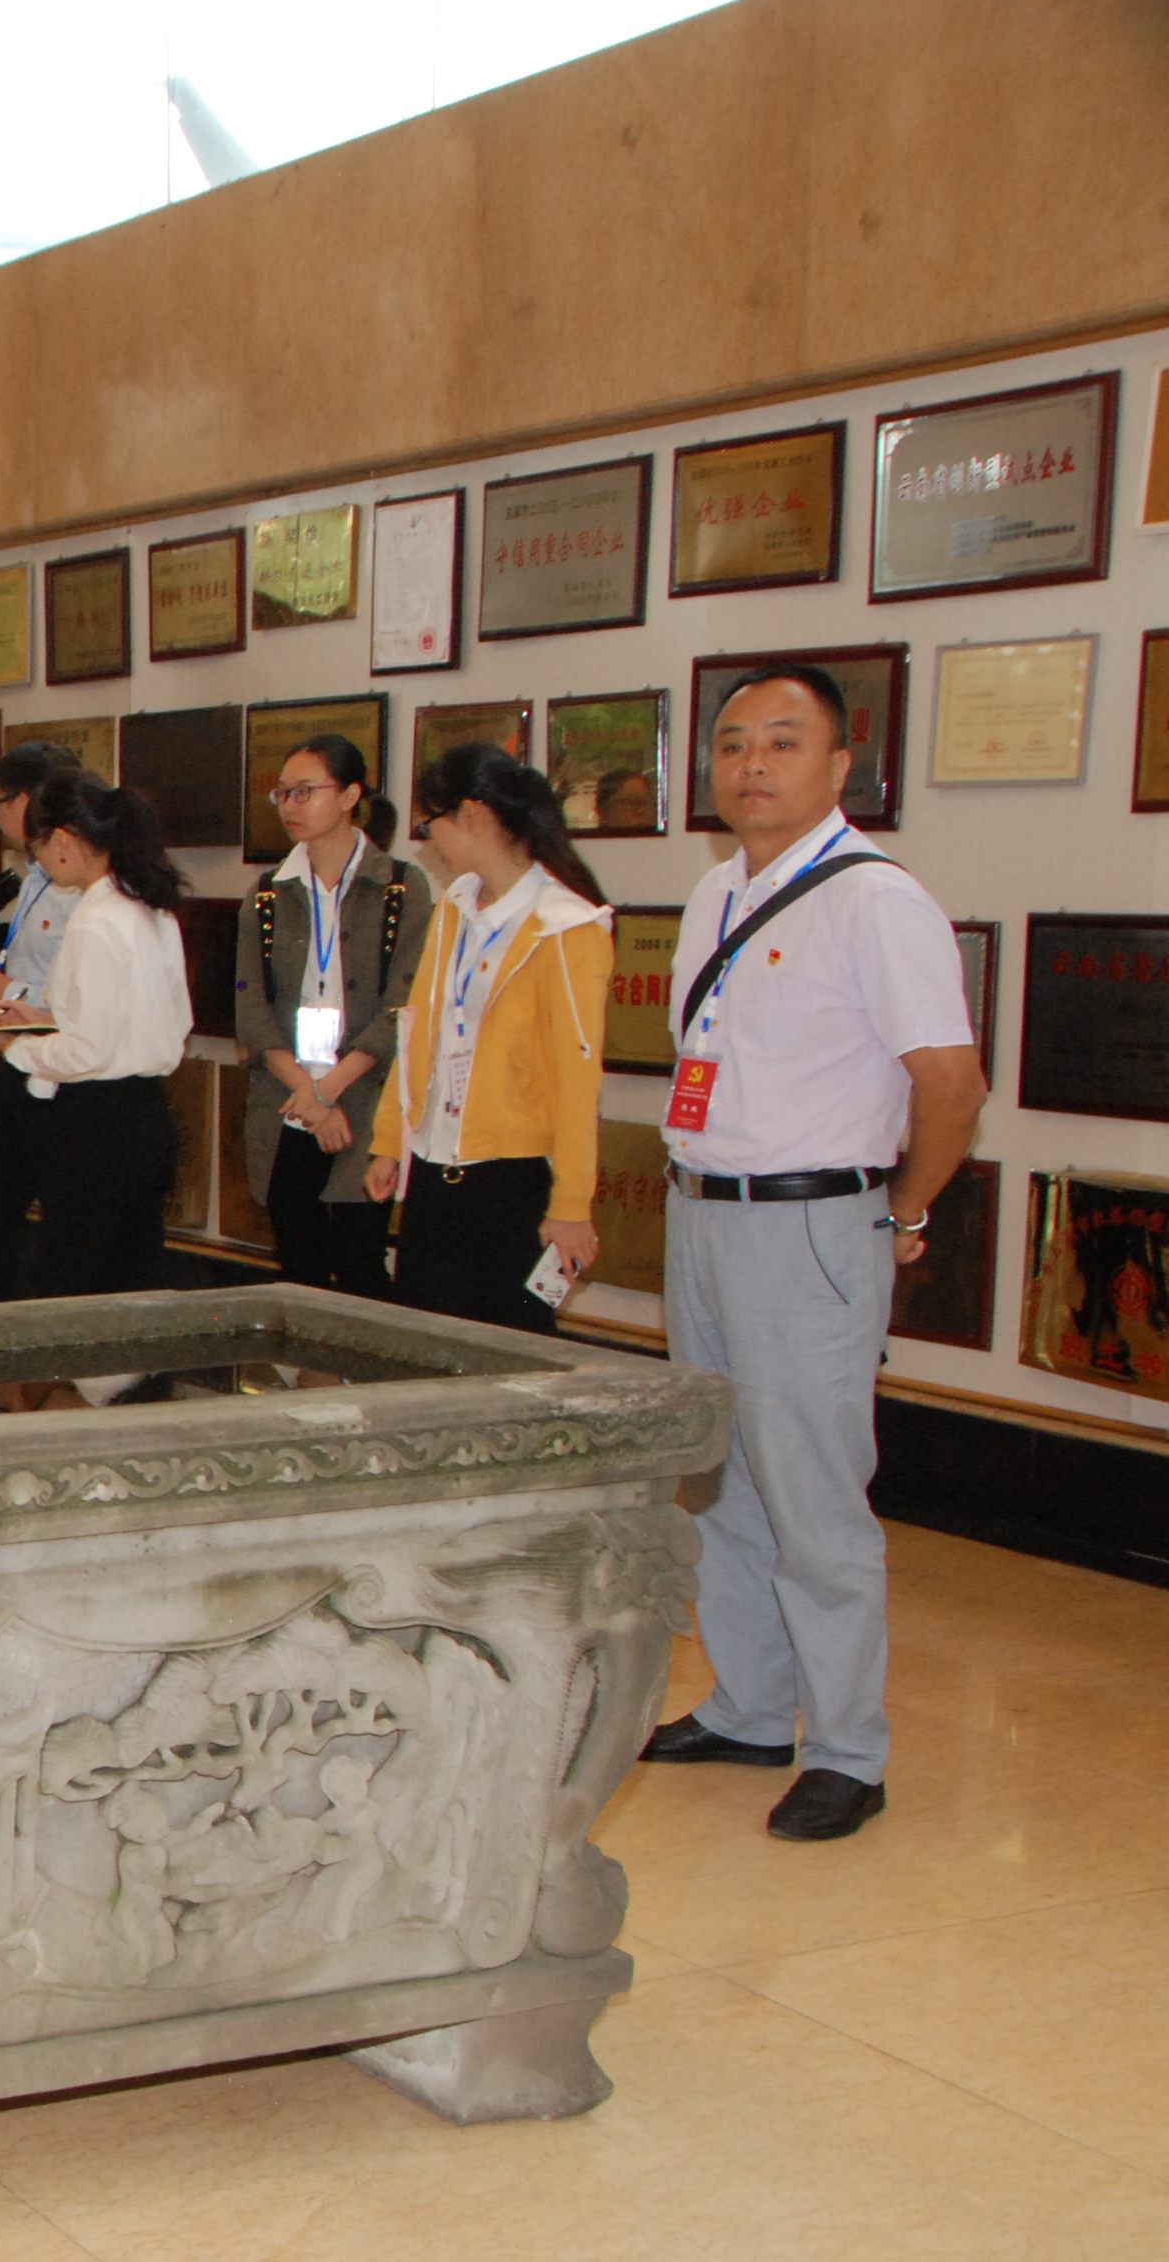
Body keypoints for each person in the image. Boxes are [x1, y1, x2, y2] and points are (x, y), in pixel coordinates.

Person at [631, 667, 984, 1845]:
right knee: (721, 1479)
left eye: (782, 743)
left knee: (813, 1495)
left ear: (839, 767)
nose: (750, 764)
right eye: (732, 742)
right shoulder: (713, 892)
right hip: (701, 1213)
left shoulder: (875, 901)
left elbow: (949, 1083)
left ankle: (844, 1750)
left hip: (809, 1226)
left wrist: (901, 1211)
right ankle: (747, 1708)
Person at [365, 744, 612, 1338]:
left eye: (431, 823)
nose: (428, 840)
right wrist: (391, 1140)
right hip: (433, 1168)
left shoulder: (567, 924)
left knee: (508, 1355)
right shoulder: (454, 908)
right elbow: (418, 1030)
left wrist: (571, 1205)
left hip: (511, 1181)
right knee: (424, 1348)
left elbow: (579, 1078)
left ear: (472, 815)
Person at [0, 773, 190, 1317]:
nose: (39, 859)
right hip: (147, 1112)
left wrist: (12, 1045)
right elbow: (153, 1022)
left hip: (98, 1123)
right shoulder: (149, 905)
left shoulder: (95, 920)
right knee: (133, 1280)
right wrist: (44, 1020)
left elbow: (87, 1052)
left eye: (38, 846)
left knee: (74, 1285)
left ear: (63, 840)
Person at [238, 735, 431, 1301]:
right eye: (282, 793)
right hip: (287, 1099)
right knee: (298, 1264)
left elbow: (406, 1004)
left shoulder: (400, 886)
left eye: (305, 791)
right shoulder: (268, 893)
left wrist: (330, 1090)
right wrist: (309, 1093)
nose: (290, 806)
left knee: (361, 1263)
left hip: (364, 1098)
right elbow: (250, 1006)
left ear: (349, 796)